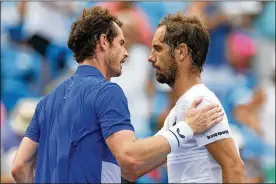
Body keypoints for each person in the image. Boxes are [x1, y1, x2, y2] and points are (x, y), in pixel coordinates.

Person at [11, 7, 224, 183]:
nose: (126, 53)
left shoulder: (47, 100)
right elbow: (131, 160)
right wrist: (187, 128)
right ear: (104, 42)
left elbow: (19, 167)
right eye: (121, 44)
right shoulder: (107, 91)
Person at [147, 12, 245, 183]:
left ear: (181, 52)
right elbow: (136, 163)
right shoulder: (181, 109)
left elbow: (234, 166)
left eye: (158, 48)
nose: (151, 57)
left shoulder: (201, 102)